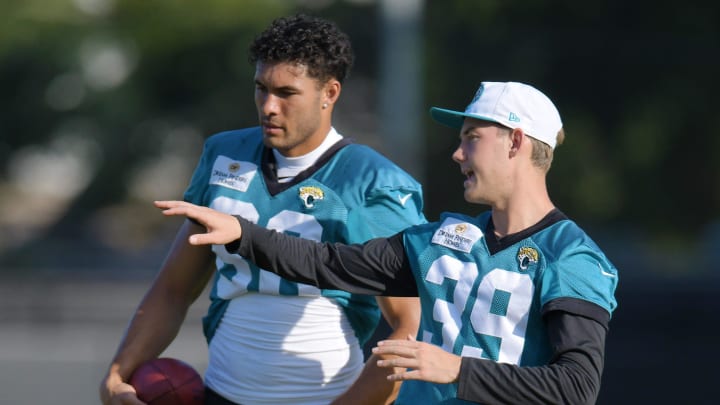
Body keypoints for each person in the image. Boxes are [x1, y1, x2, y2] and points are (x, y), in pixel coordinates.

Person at [155, 81, 620, 404]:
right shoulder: (442, 239)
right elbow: (329, 264)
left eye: (472, 138)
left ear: (516, 141)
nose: (458, 153)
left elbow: (576, 388)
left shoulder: (571, 256)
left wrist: (457, 370)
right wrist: (244, 236)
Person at [100, 14, 427, 405]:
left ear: (330, 92)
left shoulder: (373, 180)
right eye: (261, 88)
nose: (269, 106)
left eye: (286, 93)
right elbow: (174, 289)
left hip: (324, 397)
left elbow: (411, 327)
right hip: (222, 393)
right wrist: (117, 377)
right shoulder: (224, 155)